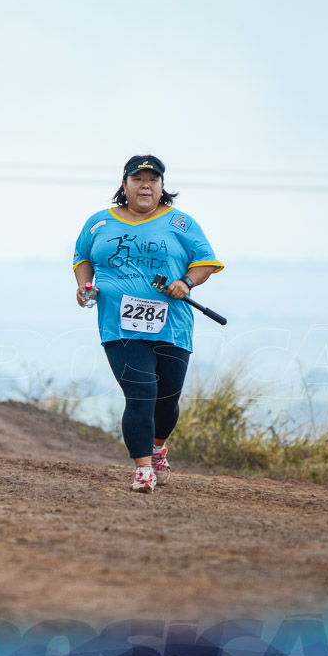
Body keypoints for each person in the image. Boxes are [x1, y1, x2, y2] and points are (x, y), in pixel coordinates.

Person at [73, 155, 223, 493]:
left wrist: (186, 282)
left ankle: (158, 448)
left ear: (162, 187)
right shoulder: (99, 223)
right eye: (137, 179)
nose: (145, 185)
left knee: (167, 399)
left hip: (172, 324)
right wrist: (85, 287)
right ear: (124, 185)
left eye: (152, 180)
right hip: (119, 324)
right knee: (141, 393)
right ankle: (142, 469)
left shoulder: (180, 223)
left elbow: (206, 262)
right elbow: (82, 257)